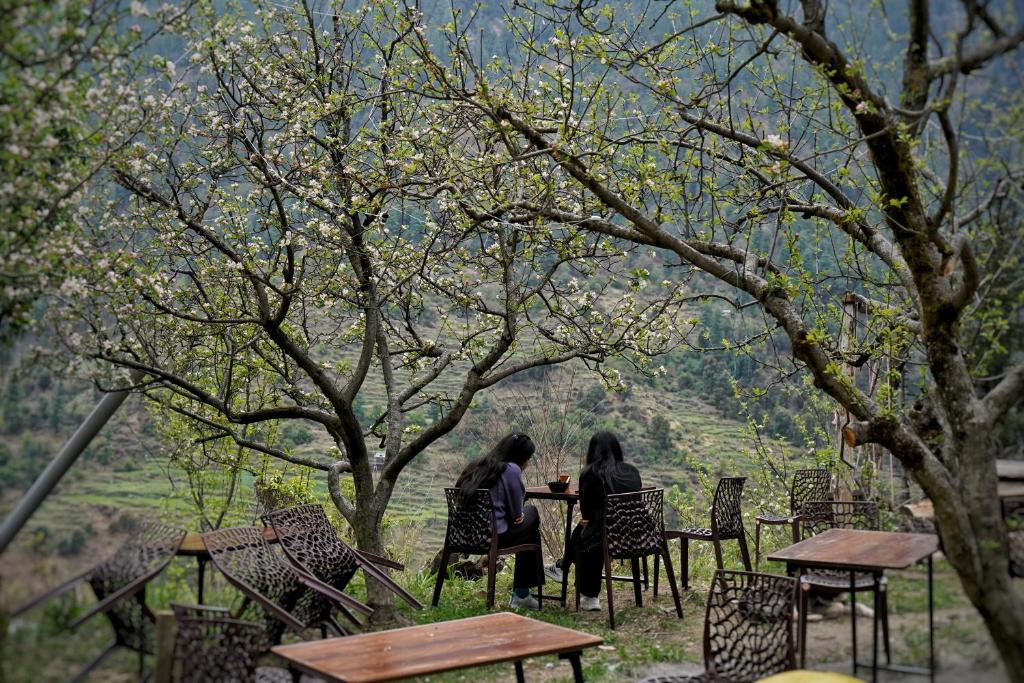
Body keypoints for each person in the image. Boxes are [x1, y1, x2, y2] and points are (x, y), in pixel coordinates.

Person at [545, 431, 641, 611]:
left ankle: (588, 595)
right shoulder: (632, 471)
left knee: (586, 532)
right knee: (590, 529)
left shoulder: (590, 473)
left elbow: (586, 513)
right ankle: (561, 567)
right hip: (636, 534)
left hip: (604, 538)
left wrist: (594, 520)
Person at [456, 432, 545, 609]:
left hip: (462, 535)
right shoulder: (511, 469)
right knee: (532, 514)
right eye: (527, 458)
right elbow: (517, 515)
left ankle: (523, 594)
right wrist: (518, 513)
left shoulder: (477, 465)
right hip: (494, 537)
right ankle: (522, 594)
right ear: (521, 457)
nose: (527, 463)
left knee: (530, 529)